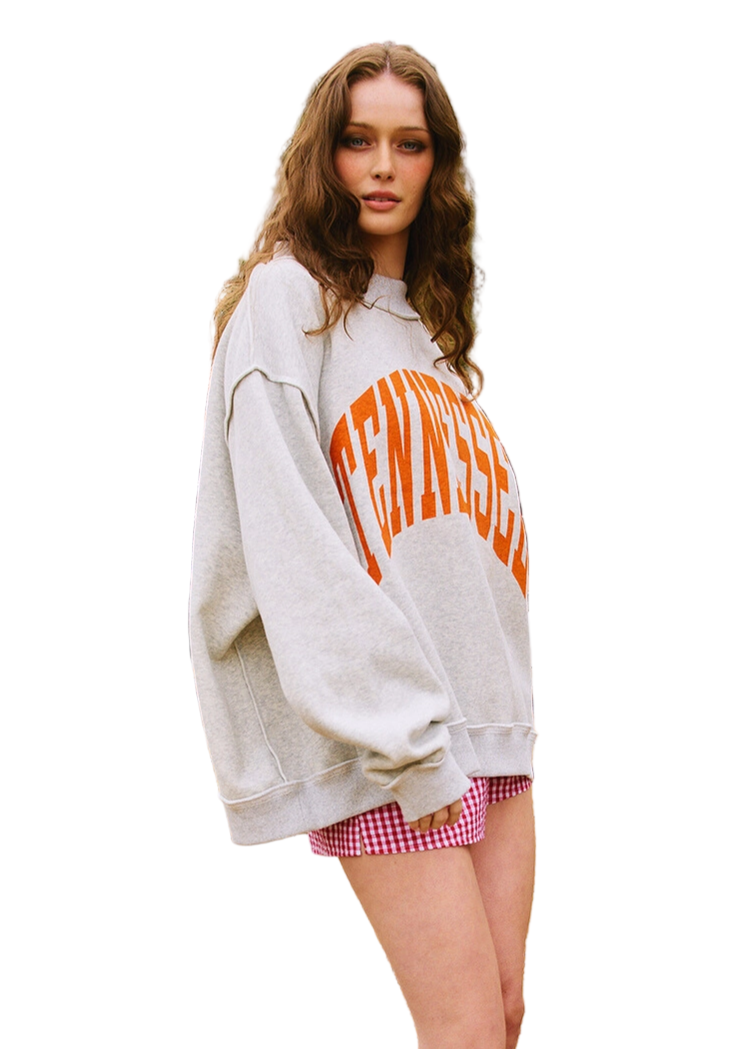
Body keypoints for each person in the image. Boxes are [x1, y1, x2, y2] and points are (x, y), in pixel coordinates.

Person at [189, 41, 536, 1049]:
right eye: (357, 140)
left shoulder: (428, 338)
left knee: (502, 1016)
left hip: (490, 730)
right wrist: (406, 745)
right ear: (322, 155)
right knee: (464, 1026)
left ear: (438, 166)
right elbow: (292, 544)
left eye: (409, 143)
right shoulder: (285, 303)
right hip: (394, 742)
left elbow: (465, 561)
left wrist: (508, 726)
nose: (382, 165)